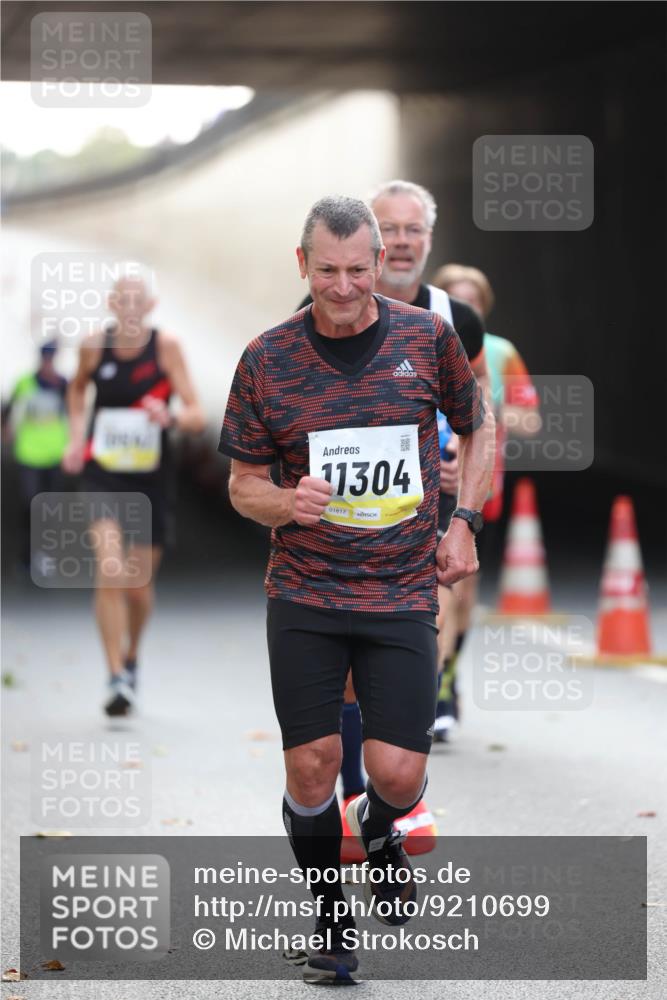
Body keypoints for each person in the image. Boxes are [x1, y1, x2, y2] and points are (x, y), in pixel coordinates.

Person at [220, 196, 494, 983]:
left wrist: (464, 520)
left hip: (401, 588)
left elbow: (477, 426)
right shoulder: (266, 358)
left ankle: (377, 828)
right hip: (305, 590)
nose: (342, 287)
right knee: (310, 765)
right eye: (326, 270)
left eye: (356, 269)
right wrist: (283, 501)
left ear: (379, 265)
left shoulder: (425, 338)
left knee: (398, 773)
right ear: (302, 265)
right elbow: (242, 483)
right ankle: (331, 921)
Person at [299, 180, 488, 837]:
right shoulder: (324, 305)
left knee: (419, 642)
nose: (403, 241)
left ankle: (397, 799)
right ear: (370, 245)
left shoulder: (455, 320)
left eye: (415, 229)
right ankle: (369, 814)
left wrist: (464, 485)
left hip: (429, 508)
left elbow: (479, 417)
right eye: (391, 229)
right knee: (352, 677)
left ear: (427, 240)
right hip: (352, 522)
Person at [62, 275, 205, 717]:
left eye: (136, 300)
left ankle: (132, 656)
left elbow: (197, 413)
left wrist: (171, 415)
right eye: (120, 299)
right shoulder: (93, 346)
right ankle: (115, 677)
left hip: (150, 479)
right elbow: (77, 386)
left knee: (138, 588)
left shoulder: (166, 347)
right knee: (110, 568)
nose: (127, 307)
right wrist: (74, 436)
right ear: (110, 303)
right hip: (102, 474)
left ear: (150, 305)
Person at [431, 263, 540, 736]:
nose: (465, 308)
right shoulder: (421, 340)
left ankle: (447, 684)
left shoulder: (500, 353)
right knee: (436, 590)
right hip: (427, 480)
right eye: (456, 298)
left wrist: (494, 412)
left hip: (482, 485)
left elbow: (532, 420)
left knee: (464, 590)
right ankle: (432, 690)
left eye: (472, 300)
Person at [2, 342, 69, 574]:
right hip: (29, 451)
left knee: (49, 505)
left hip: (54, 452)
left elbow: (74, 412)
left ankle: (46, 552)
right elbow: (8, 408)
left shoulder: (63, 384)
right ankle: (27, 553)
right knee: (30, 503)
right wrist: (6, 431)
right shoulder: (25, 382)